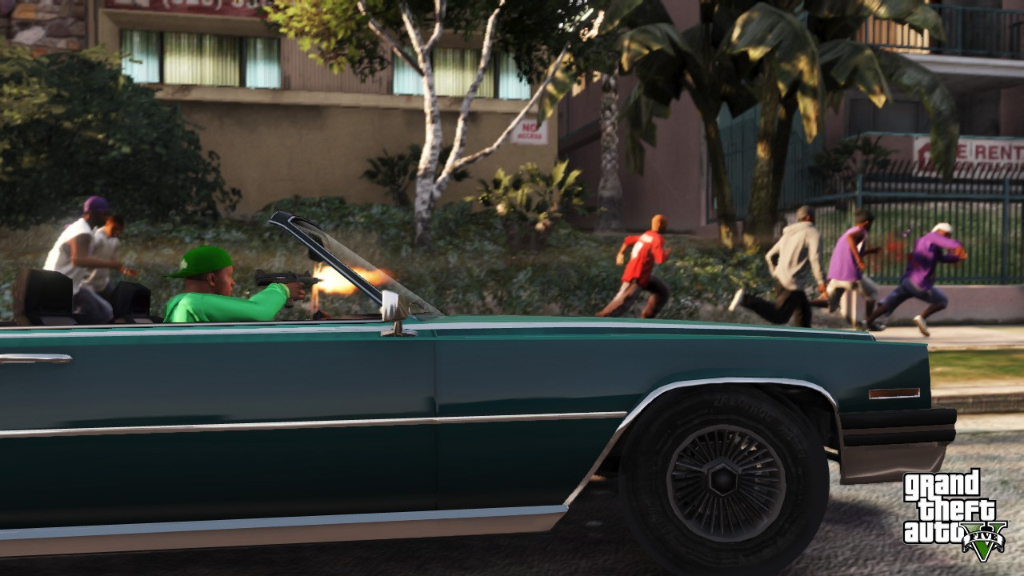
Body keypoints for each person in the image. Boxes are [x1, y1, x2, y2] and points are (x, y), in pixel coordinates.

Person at [728, 205, 827, 328]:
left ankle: (804, 336)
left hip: (781, 279)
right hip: (792, 282)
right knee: (779, 316)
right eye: (813, 216)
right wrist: (821, 281)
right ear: (808, 217)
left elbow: (769, 255)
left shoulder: (788, 234)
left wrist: (775, 272)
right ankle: (746, 299)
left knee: (803, 313)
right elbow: (815, 258)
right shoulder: (813, 233)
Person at [862, 223, 967, 337]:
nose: (947, 238)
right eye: (947, 235)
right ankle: (922, 318)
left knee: (889, 303)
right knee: (942, 301)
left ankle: (866, 323)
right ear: (940, 231)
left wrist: (956, 258)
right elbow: (948, 243)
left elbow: (941, 258)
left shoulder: (925, 242)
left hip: (908, 280)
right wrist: (958, 245)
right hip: (919, 283)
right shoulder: (932, 236)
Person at [43, 196, 136, 324]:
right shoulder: (82, 232)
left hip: (67, 286)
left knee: (105, 311)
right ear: (91, 213)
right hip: (60, 288)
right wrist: (112, 264)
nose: (107, 218)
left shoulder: (82, 229)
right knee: (103, 315)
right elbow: (78, 260)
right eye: (104, 214)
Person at [164, 246, 306, 323]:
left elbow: (250, 309)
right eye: (229, 276)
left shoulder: (178, 302)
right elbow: (260, 311)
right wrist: (282, 289)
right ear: (212, 279)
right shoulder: (196, 303)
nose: (233, 282)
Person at [596, 214, 671, 319]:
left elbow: (627, 240)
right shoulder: (657, 239)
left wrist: (620, 253)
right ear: (659, 224)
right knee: (623, 302)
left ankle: (647, 317)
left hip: (643, 275)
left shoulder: (646, 235)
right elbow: (660, 259)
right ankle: (601, 319)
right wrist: (667, 253)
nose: (666, 227)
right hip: (636, 277)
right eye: (665, 224)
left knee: (662, 292)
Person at [825, 208, 882, 318]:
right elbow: (850, 238)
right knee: (873, 292)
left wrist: (870, 251)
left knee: (829, 303)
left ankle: (804, 302)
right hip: (850, 276)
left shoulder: (849, 231)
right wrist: (859, 260)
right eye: (871, 224)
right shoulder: (861, 231)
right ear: (866, 222)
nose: (870, 227)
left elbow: (850, 251)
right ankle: (868, 322)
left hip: (836, 276)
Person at [81, 214, 127, 301]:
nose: (117, 232)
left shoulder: (115, 242)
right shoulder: (96, 237)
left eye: (119, 230)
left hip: (103, 283)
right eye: (114, 229)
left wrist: (124, 270)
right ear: (108, 224)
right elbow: (82, 260)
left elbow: (114, 262)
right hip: (87, 284)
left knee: (120, 302)